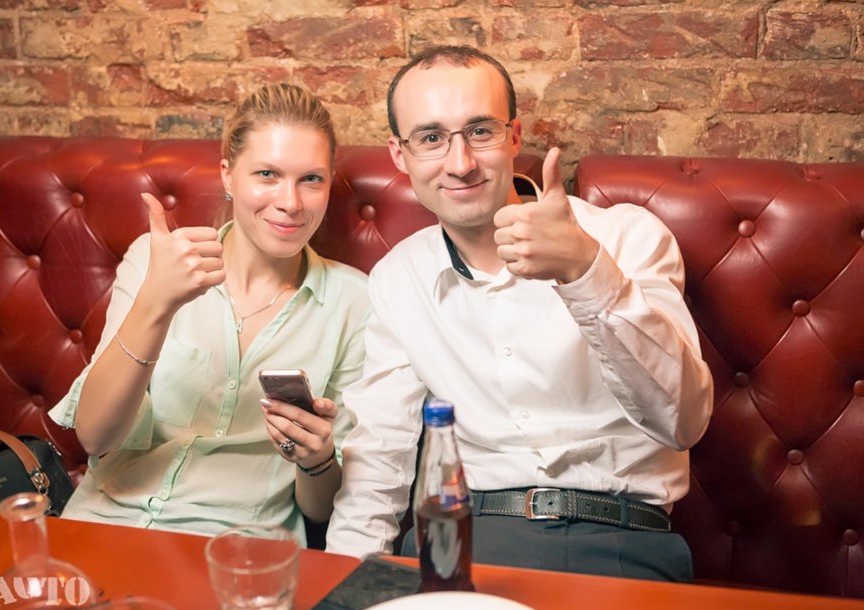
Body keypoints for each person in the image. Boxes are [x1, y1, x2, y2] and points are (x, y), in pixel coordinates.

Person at [325, 46, 714, 582]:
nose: (460, 163)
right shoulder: (399, 277)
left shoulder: (626, 236)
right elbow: (378, 458)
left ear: (514, 136)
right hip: (466, 536)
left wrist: (586, 272)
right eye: (431, 138)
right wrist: (341, 588)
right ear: (400, 154)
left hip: (619, 538)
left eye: (480, 131)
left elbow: (683, 421)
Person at [49, 84, 369, 544]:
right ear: (228, 175)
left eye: (311, 179)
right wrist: (156, 303)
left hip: (238, 550)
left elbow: (321, 509)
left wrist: (316, 459)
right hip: (102, 527)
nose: (291, 202)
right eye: (267, 174)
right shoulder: (154, 259)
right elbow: (95, 437)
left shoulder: (355, 302)